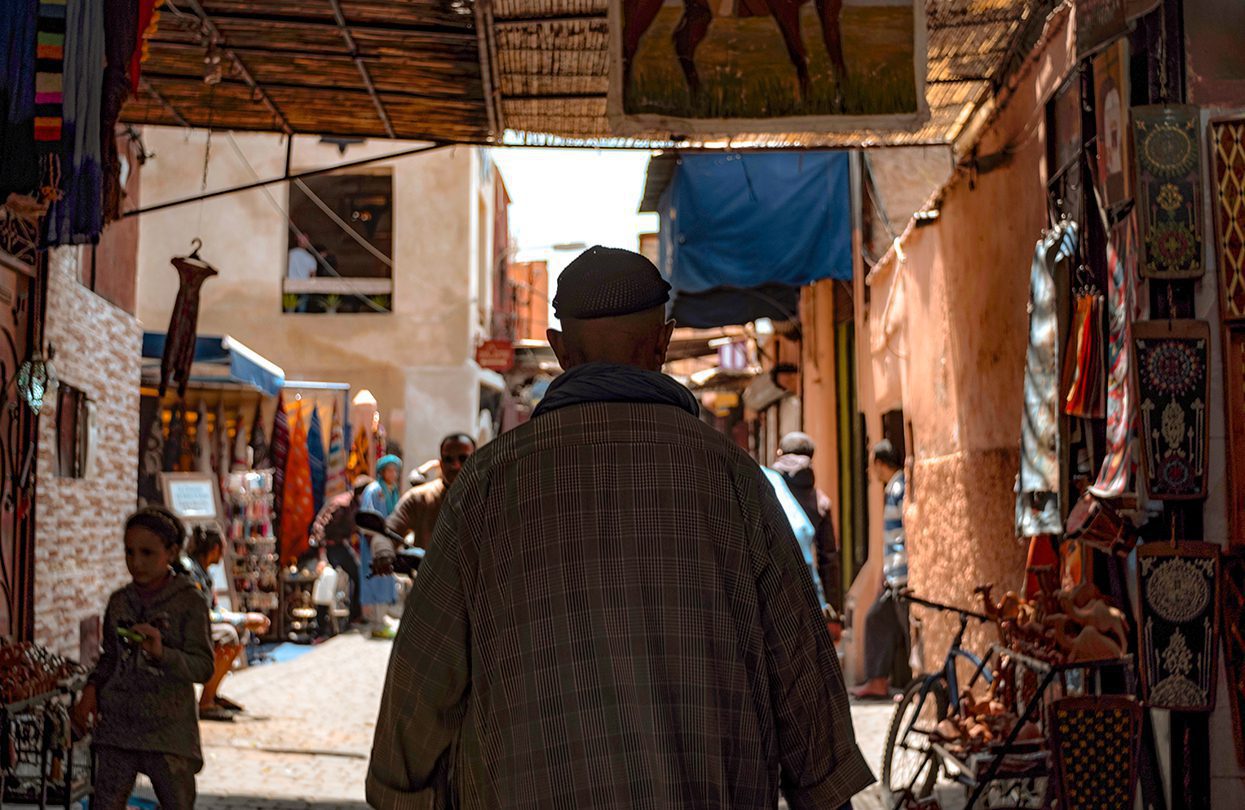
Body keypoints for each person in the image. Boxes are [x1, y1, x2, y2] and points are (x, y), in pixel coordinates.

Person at [367, 246, 872, 809]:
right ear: (663, 340)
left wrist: (402, 796)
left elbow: (421, 680)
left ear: (559, 350)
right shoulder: (734, 479)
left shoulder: (487, 484)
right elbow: (803, 681)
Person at [72, 507, 215, 809]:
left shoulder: (190, 602)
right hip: (117, 727)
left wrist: (164, 653)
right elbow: (109, 657)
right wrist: (91, 689)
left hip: (169, 730)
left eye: (147, 553)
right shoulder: (120, 601)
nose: (136, 563)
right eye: (129, 552)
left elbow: (203, 667)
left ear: (172, 552)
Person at [183, 525, 271, 720]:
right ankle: (205, 703)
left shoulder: (203, 573)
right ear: (214, 549)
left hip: (199, 624)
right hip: (186, 629)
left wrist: (243, 620)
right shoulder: (190, 572)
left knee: (239, 632)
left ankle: (212, 694)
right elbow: (203, 613)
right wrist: (244, 619)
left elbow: (213, 610)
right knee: (228, 635)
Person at [852, 439, 910, 700]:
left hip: (903, 575)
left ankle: (916, 687)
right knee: (876, 619)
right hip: (894, 575)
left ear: (878, 463)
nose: (869, 470)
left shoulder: (899, 487)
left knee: (908, 630)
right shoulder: (894, 487)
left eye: (870, 463)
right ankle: (878, 681)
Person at [372, 434, 475, 572]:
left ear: (476, 460)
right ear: (440, 463)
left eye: (463, 459)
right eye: (448, 459)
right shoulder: (420, 498)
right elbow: (388, 532)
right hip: (428, 585)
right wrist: (383, 553)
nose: (455, 465)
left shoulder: (490, 498)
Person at [771, 431, 841, 612]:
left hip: (772, 592)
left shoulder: (767, 487)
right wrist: (833, 607)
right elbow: (828, 559)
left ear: (780, 453)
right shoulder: (820, 502)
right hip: (808, 595)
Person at [309, 475, 373, 625]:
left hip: (340, 545)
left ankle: (354, 616)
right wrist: (322, 555)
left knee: (357, 574)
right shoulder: (342, 505)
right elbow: (321, 526)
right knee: (328, 580)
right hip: (330, 546)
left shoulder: (357, 506)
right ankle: (321, 624)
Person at [359, 455, 403, 639]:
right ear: (382, 472)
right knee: (375, 580)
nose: (393, 474)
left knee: (385, 580)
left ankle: (381, 620)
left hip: (387, 543)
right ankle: (376, 623)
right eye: (389, 470)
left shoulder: (392, 492)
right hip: (374, 544)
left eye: (395, 470)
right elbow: (367, 517)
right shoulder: (374, 491)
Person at [287, 233, 316, 312]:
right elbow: (312, 275)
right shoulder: (310, 258)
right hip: (304, 287)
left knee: (289, 311)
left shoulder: (290, 254)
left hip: (290, 285)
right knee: (301, 311)